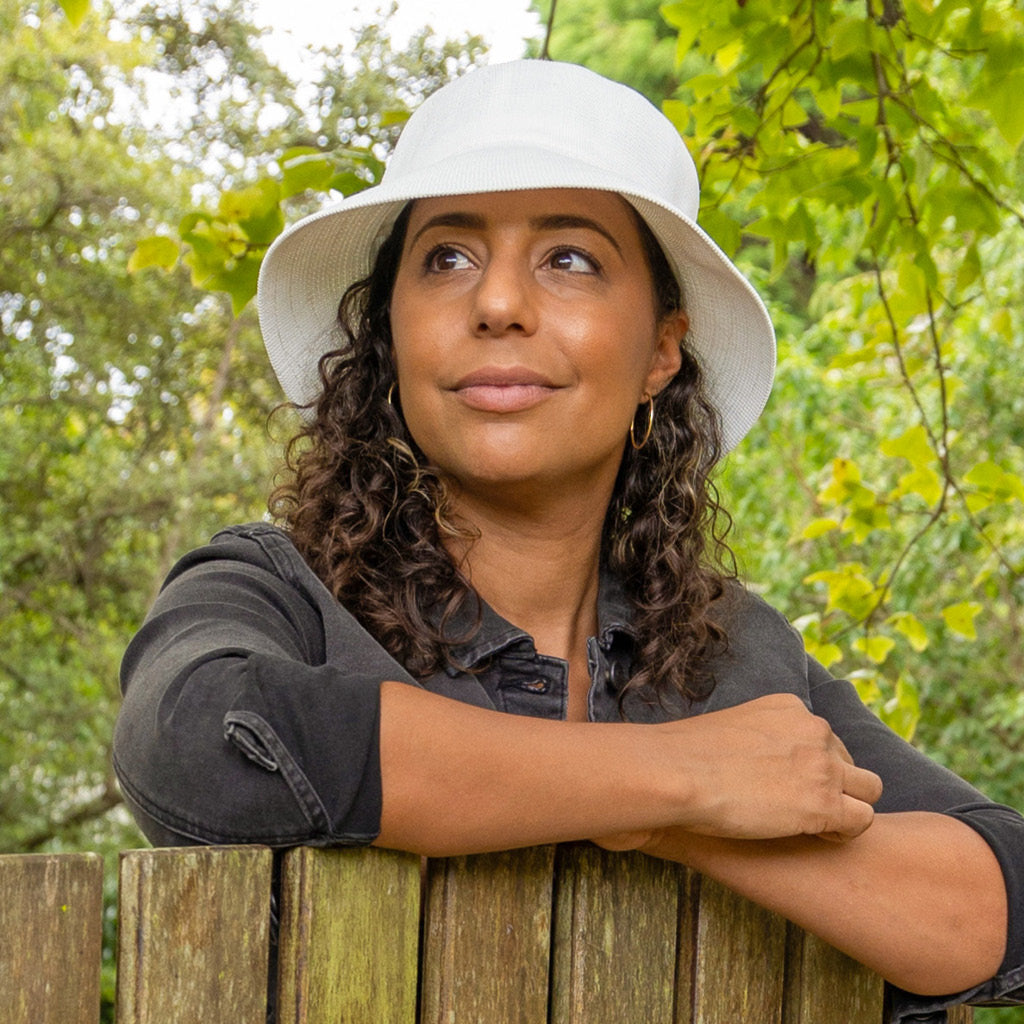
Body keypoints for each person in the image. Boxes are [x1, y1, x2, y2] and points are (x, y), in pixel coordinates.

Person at [113, 60, 1024, 1021]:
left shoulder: (736, 655)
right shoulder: (274, 593)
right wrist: (684, 781)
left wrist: (672, 825)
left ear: (661, 352)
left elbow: (996, 897)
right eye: (447, 258)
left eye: (571, 259)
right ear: (392, 332)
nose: (497, 302)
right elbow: (195, 737)